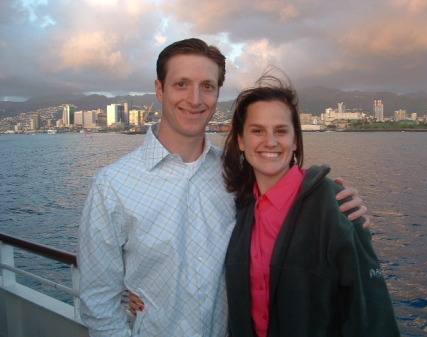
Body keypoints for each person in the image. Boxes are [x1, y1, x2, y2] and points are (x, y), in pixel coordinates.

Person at [77, 38, 368, 336]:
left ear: (217, 93)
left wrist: (340, 205)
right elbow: (99, 300)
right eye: (181, 84)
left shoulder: (238, 175)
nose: (195, 99)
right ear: (160, 89)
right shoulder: (112, 186)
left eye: (207, 86)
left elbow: (291, 200)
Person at [221, 74, 399, 336]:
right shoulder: (241, 206)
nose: (270, 141)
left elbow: (371, 313)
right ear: (240, 140)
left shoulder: (335, 205)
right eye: (257, 130)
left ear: (295, 141)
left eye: (281, 131)